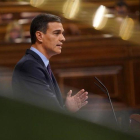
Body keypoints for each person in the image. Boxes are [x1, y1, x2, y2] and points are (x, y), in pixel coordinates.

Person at [12, 14, 88, 112]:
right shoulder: (29, 66)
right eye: (56, 33)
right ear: (39, 36)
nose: (63, 38)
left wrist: (66, 106)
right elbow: (49, 112)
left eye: (62, 33)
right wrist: (67, 109)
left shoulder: (39, 63)